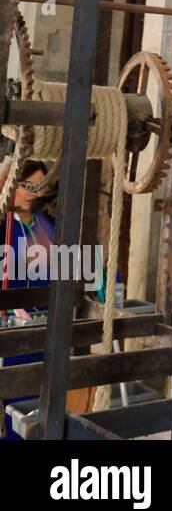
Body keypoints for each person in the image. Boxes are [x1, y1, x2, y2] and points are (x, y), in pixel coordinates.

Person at [0, 159, 58, 439]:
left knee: (42, 404)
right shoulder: (4, 223)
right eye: (26, 185)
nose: (33, 192)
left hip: (47, 328)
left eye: (39, 186)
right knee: (14, 404)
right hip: (13, 331)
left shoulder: (48, 224)